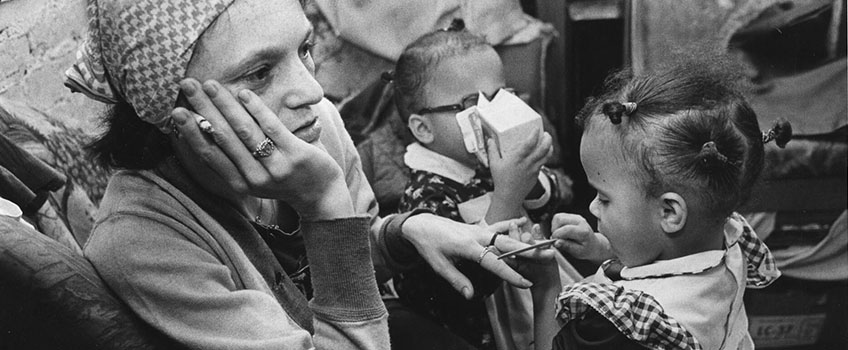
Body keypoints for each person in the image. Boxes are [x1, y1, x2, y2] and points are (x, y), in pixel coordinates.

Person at [64, 0, 543, 349]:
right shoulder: (144, 243)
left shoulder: (313, 126)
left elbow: (339, 275)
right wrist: (325, 205)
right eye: (258, 73)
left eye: (306, 49)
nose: (311, 90)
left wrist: (399, 233)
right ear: (172, 112)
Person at [528, 58, 790, 350]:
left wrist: (546, 286)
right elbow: (664, 265)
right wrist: (600, 250)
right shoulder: (728, 238)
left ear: (670, 212)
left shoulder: (622, 328)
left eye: (603, 198)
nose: (592, 208)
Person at [390, 24, 558, 349]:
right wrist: (507, 195)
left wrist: (529, 177)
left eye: (502, 96)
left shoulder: (491, 156)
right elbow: (464, 288)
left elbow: (550, 199)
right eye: (473, 102)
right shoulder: (426, 194)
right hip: (477, 329)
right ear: (424, 128)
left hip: (532, 296)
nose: (493, 112)